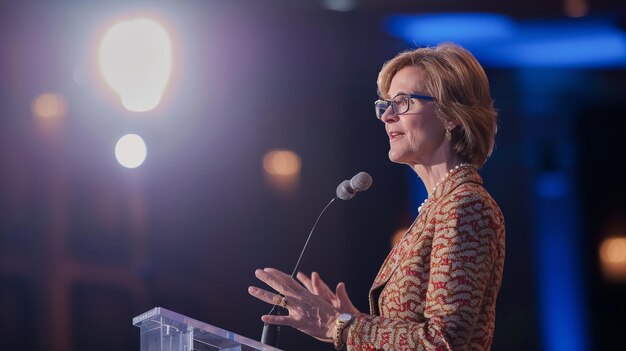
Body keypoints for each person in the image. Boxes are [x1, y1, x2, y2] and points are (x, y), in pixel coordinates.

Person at [248, 42, 505, 351]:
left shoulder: (465, 206)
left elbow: (443, 341)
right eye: (386, 105)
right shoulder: (439, 207)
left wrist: (340, 325)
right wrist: (348, 320)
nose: (387, 116)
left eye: (403, 102)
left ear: (450, 115)